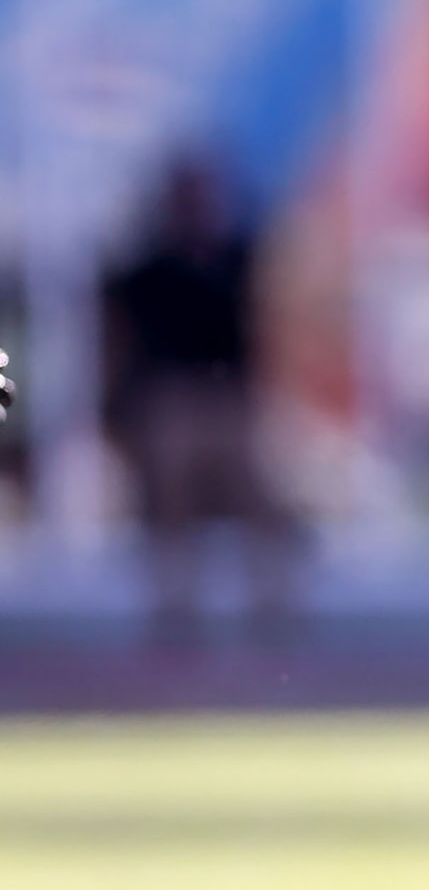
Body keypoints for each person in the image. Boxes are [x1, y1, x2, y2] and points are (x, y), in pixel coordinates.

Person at [99, 157, 299, 644]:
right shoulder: (145, 270)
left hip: (230, 394)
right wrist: (117, 409)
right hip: (172, 396)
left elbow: (271, 321)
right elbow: (118, 343)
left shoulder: (237, 258)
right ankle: (175, 610)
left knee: (261, 503)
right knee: (169, 505)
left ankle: (273, 610)